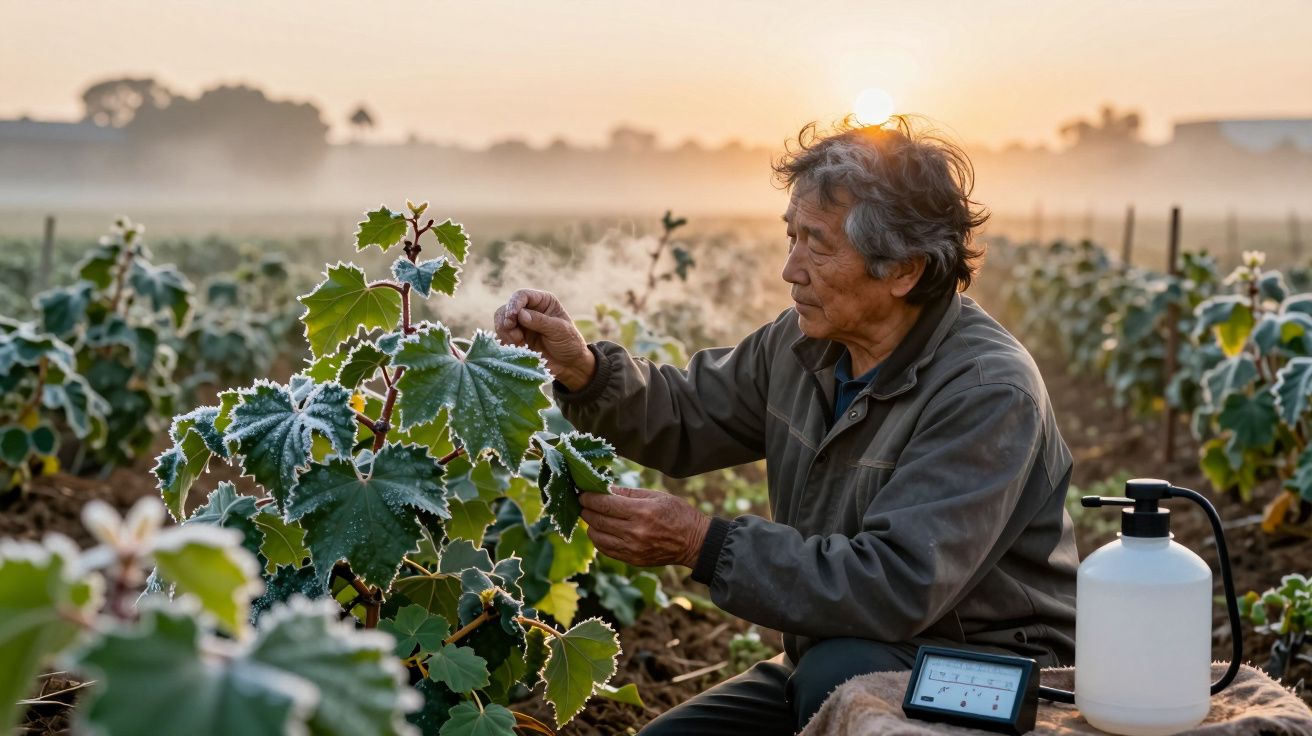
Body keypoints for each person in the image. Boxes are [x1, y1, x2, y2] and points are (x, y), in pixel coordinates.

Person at [493, 116, 1077, 735]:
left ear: (903, 268)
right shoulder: (803, 344)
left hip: (985, 673)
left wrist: (701, 543)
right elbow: (689, 413)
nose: (790, 269)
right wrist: (583, 369)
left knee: (838, 673)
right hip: (833, 647)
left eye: (818, 244)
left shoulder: (987, 392)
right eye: (790, 236)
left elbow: (896, 585)